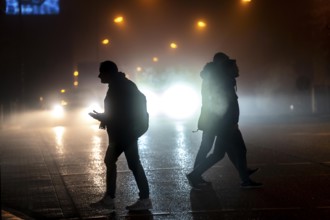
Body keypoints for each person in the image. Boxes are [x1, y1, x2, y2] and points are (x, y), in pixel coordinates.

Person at [187, 52, 262, 189]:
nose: (233, 66)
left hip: (218, 121)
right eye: (228, 62)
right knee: (217, 150)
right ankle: (196, 175)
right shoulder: (219, 79)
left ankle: (243, 174)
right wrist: (228, 122)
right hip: (220, 122)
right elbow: (222, 103)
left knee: (228, 150)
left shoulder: (217, 77)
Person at [89, 60, 152, 211]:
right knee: (132, 164)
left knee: (114, 161)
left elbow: (120, 114)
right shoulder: (120, 85)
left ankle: (113, 198)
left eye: (101, 72)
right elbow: (118, 112)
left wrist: (102, 118)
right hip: (126, 132)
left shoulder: (119, 87)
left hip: (124, 133)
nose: (99, 76)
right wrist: (104, 116)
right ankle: (143, 198)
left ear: (109, 73)